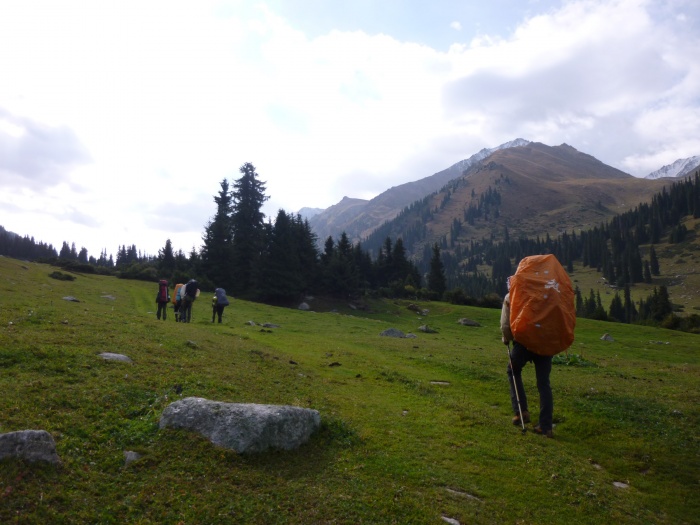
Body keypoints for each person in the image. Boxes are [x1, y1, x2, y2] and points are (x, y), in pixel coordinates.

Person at [500, 291, 554, 438]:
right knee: (543, 383)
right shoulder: (548, 292)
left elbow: (506, 323)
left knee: (513, 370)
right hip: (545, 342)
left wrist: (506, 337)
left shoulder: (514, 292)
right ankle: (546, 426)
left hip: (524, 341)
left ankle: (521, 412)